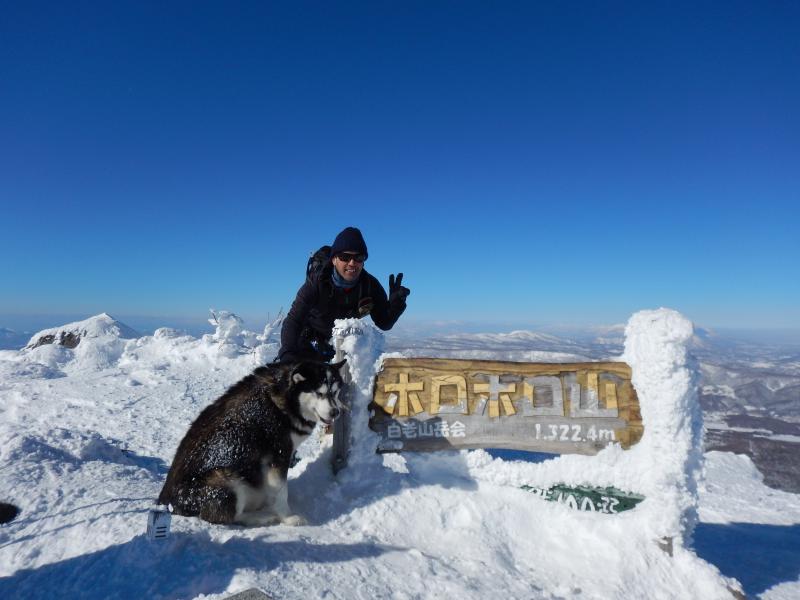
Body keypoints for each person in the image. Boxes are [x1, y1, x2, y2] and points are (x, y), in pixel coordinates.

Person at [278, 227, 410, 363]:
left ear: (363, 262)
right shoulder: (317, 283)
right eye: (345, 257)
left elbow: (384, 323)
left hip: (345, 346)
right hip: (311, 343)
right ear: (334, 259)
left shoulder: (370, 285)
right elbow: (294, 320)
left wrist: (396, 305)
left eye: (358, 257)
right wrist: (287, 354)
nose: (352, 263)